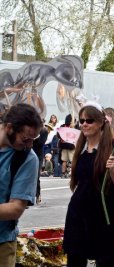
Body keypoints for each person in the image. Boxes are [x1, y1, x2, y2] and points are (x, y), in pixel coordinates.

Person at [63, 104, 114, 266]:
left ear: (100, 123)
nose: (84, 124)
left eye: (89, 120)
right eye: (82, 120)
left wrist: (112, 170)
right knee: (75, 258)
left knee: (108, 261)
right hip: (78, 211)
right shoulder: (80, 149)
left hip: (104, 211)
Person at [0, 103, 42, 266]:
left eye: (34, 139)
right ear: (9, 128)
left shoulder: (28, 159)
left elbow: (16, 208)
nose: (30, 145)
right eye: (26, 139)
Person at [32, 123, 48, 204]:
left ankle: (37, 195)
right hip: (28, 153)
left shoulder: (44, 131)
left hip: (38, 155)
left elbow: (41, 143)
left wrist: (34, 138)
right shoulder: (29, 128)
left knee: (36, 176)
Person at [58, 114, 75, 178]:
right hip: (71, 146)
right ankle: (72, 174)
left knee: (64, 160)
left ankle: (63, 173)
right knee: (72, 161)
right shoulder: (72, 127)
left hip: (63, 146)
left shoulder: (62, 126)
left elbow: (58, 135)